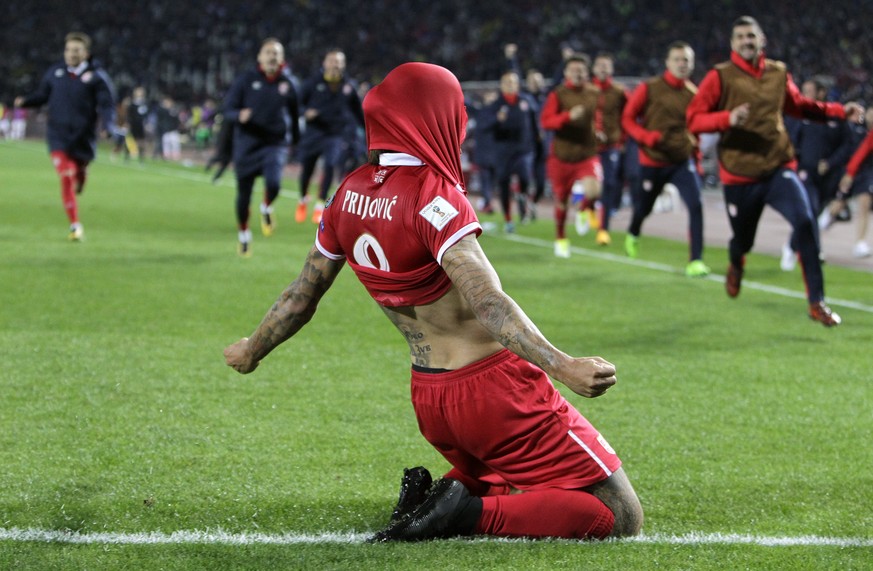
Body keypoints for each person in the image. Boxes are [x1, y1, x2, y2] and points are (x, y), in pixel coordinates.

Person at [224, 62, 643, 542]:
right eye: (455, 109)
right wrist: (564, 366)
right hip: (493, 392)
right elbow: (487, 301)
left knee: (504, 472)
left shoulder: (347, 194)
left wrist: (251, 350)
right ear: (430, 117)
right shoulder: (433, 196)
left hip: (430, 397)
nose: (461, 120)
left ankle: (439, 494)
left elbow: (301, 296)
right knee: (617, 514)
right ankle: (464, 516)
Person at [686, 15, 862, 327]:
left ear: (762, 40)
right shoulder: (719, 77)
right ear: (732, 44)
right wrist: (726, 119)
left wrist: (839, 111)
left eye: (751, 36)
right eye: (740, 37)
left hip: (778, 165)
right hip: (740, 174)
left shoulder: (778, 72)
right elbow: (694, 119)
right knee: (743, 241)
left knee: (805, 221)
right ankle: (736, 262)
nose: (746, 41)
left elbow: (801, 106)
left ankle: (816, 302)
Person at [14, 31, 117, 242]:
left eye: (76, 50)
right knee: (65, 175)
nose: (71, 54)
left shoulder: (96, 77)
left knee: (78, 172)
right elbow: (42, 95)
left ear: (86, 53)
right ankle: (75, 225)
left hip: (83, 138)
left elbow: (106, 105)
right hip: (58, 135)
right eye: (68, 50)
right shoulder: (55, 73)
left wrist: (108, 126)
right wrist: (25, 101)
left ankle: (83, 174)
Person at [621, 41, 710, 277]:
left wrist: (697, 159)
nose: (682, 64)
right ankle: (634, 232)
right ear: (667, 63)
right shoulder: (649, 88)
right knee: (644, 207)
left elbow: (697, 130)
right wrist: (646, 137)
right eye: (678, 59)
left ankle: (696, 260)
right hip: (653, 161)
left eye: (687, 60)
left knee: (696, 205)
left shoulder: (694, 94)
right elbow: (628, 119)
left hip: (682, 161)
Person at [222, 38, 300, 256]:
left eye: (276, 53)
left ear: (282, 59)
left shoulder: (289, 83)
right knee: (243, 195)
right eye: (268, 52)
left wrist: (296, 141)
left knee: (274, 184)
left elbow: (295, 116)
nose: (272, 56)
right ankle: (244, 233)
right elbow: (227, 108)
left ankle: (266, 206)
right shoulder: (246, 80)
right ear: (260, 57)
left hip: (274, 144)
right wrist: (239, 114)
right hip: (247, 144)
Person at [779, 79, 852, 271]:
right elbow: (790, 141)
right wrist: (799, 163)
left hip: (829, 176)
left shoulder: (836, 115)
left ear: (821, 93)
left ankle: (791, 245)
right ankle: (812, 251)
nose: (803, 95)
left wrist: (830, 163)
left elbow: (847, 145)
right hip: (805, 173)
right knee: (809, 209)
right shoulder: (800, 114)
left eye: (808, 91)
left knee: (814, 212)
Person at [541, 53, 604, 258]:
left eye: (581, 70)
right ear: (566, 73)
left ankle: (585, 209)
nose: (578, 74)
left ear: (587, 73)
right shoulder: (558, 95)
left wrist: (600, 131)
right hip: (562, 156)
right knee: (562, 200)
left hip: (586, 153)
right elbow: (546, 122)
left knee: (594, 191)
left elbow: (599, 117)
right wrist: (568, 116)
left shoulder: (595, 93)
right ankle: (561, 238)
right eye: (574, 70)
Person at [295, 49, 365, 225]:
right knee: (307, 170)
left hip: (335, 134)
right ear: (325, 63)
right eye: (333, 61)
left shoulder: (348, 86)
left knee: (330, 165)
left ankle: (320, 206)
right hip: (314, 133)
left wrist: (370, 130)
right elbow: (297, 104)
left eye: (339, 62)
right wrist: (305, 113)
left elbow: (359, 113)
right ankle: (303, 198)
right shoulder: (312, 83)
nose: (336, 65)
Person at [476, 70, 539, 232]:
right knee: (503, 184)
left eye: (513, 82)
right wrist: (497, 119)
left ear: (518, 84)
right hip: (503, 151)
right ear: (502, 86)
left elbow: (535, 123)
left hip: (523, 149)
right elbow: (482, 126)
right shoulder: (495, 105)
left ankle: (523, 197)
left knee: (525, 177)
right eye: (507, 82)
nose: (510, 85)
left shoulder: (526, 101)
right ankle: (508, 219)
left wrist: (538, 140)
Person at [819, 106, 873, 258]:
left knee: (864, 202)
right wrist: (848, 173)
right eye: (870, 112)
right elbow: (856, 152)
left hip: (866, 172)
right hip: (851, 171)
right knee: (838, 205)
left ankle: (860, 243)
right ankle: (819, 226)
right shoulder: (854, 128)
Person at [591, 52, 628, 246]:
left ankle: (603, 229)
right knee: (592, 187)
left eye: (607, 66)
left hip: (611, 146)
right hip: (589, 146)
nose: (603, 69)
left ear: (611, 70)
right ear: (594, 69)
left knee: (609, 184)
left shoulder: (619, 92)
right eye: (600, 65)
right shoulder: (587, 91)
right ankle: (587, 206)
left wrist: (622, 139)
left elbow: (629, 115)